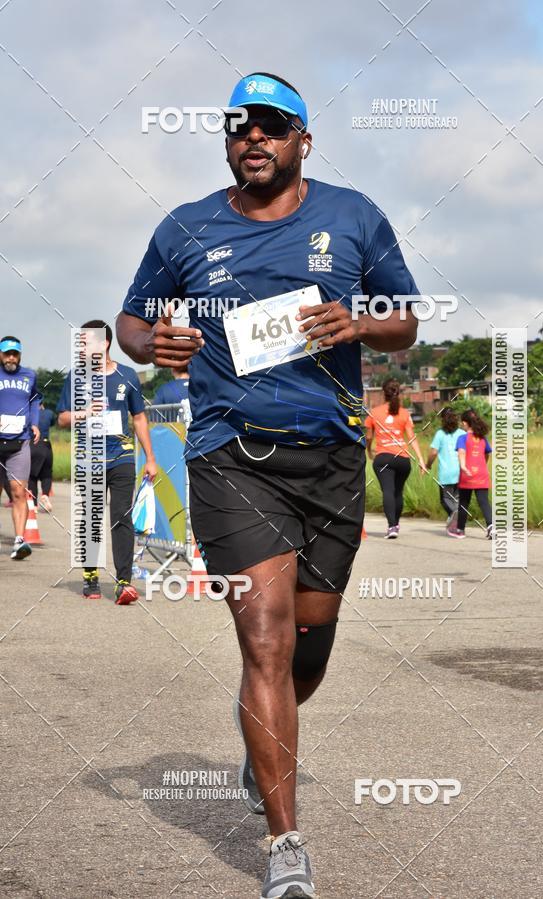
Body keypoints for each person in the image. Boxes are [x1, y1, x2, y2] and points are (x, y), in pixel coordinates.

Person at [116, 71, 420, 899]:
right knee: (267, 642)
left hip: (328, 456)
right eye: (239, 127)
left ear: (303, 141)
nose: (254, 138)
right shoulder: (186, 226)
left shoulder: (353, 216)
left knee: (310, 644)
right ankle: (285, 845)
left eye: (273, 126)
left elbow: (407, 318)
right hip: (228, 455)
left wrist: (360, 320)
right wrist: (154, 346)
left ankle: (263, 735)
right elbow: (133, 319)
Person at [57, 320, 157, 602]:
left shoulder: (128, 376)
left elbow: (138, 417)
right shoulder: (76, 378)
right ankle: (90, 576)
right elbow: (62, 418)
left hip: (122, 456)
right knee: (92, 518)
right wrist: (85, 412)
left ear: (104, 344)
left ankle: (124, 581)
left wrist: (150, 457)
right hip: (90, 460)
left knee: (121, 517)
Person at [365, 378, 427, 539]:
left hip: (383, 458)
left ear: (383, 393)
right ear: (398, 393)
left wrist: (369, 451)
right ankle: (396, 525)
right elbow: (412, 438)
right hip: (403, 460)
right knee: (398, 492)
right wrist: (420, 459)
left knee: (388, 491)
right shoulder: (405, 413)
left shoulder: (374, 412)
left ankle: (392, 526)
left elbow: (368, 437)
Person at [0, 336, 40, 559]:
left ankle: (19, 541)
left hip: (20, 441)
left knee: (18, 492)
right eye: (7, 353)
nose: (11, 357)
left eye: (15, 353)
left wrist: (34, 423)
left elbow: (35, 399)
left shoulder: (29, 375)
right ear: (0, 354)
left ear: (20, 355)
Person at [447, 409, 493, 539]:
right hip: (482, 473)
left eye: (463, 422)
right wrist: (483, 465)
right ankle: (491, 527)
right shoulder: (482, 438)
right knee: (484, 502)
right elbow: (487, 454)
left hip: (467, 474)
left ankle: (460, 530)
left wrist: (463, 466)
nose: (462, 424)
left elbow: (461, 452)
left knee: (464, 503)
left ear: (466, 423)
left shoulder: (462, 438)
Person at [426, 407, 466, 528]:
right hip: (461, 471)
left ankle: (454, 515)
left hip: (446, 473)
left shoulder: (440, 434)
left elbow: (433, 453)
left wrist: (428, 464)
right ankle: (458, 521)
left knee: (445, 499)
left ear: (442, 419)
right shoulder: (462, 433)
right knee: (457, 499)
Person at [28, 399, 54, 511]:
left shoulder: (28, 414)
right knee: (47, 474)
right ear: (42, 404)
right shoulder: (49, 413)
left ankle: (34, 504)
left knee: (32, 476)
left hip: (32, 445)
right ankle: (45, 495)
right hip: (46, 445)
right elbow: (52, 422)